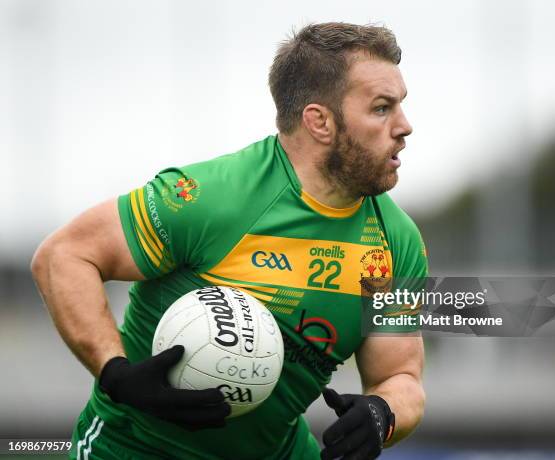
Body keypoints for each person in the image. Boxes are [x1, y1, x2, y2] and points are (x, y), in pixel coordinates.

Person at [31, 22, 427, 460]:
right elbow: (63, 256)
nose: (405, 126)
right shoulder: (213, 197)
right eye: (381, 108)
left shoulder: (396, 242)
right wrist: (117, 373)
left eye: (400, 106)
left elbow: (402, 377)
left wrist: (382, 412)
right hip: (130, 450)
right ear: (320, 121)